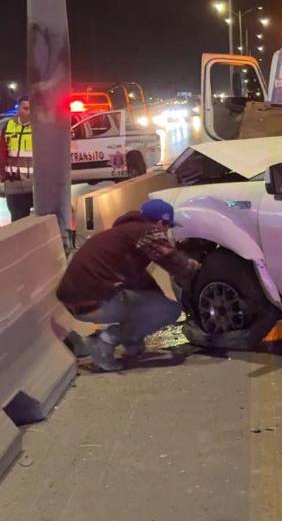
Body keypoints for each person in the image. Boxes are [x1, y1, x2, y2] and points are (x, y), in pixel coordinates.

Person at [56, 199, 200, 371]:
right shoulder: (147, 231)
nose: (166, 232)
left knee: (155, 305)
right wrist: (193, 266)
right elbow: (173, 261)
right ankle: (103, 342)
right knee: (170, 310)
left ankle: (132, 344)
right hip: (94, 300)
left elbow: (140, 280)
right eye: (168, 227)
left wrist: (156, 304)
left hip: (78, 302)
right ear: (162, 222)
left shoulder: (123, 233)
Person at [0, 96, 34, 221]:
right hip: (13, 184)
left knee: (40, 223)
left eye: (32, 109)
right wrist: (3, 175)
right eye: (25, 108)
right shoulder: (8, 125)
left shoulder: (39, 127)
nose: (29, 112)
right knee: (18, 223)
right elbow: (2, 151)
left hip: (35, 185)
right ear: (18, 108)